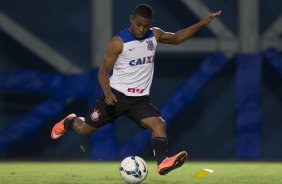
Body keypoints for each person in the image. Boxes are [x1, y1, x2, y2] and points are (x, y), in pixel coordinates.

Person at [51, 4, 221, 175]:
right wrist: (108, 92)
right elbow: (103, 71)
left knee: (159, 124)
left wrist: (201, 23)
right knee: (85, 130)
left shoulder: (154, 34)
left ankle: (162, 162)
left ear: (150, 24)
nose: (141, 29)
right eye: (138, 24)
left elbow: (177, 38)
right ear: (131, 19)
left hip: (140, 100)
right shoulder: (118, 42)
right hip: (115, 96)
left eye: (145, 25)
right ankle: (69, 122)